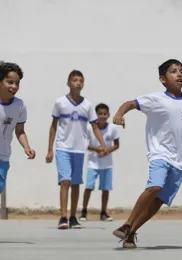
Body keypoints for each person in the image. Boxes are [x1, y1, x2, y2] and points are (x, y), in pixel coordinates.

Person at [112, 59, 182, 248]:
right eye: (173, 71)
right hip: (160, 154)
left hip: (181, 161)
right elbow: (130, 103)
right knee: (155, 186)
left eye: (181, 71)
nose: (179, 74)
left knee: (159, 200)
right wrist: (120, 114)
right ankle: (127, 224)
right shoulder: (156, 99)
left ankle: (131, 233)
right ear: (163, 79)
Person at [45, 70, 108, 230]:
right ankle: (63, 217)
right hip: (62, 147)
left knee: (75, 183)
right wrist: (50, 149)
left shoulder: (87, 105)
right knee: (64, 181)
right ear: (68, 83)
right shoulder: (60, 103)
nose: (78, 83)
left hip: (79, 149)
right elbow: (53, 127)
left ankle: (73, 216)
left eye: (80, 80)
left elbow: (95, 127)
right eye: (74, 80)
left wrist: (102, 144)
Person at [80, 103, 120, 222]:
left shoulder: (112, 128)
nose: (102, 116)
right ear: (96, 115)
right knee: (89, 187)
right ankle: (84, 211)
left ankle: (103, 212)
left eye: (105, 114)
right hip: (93, 163)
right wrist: (97, 149)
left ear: (108, 115)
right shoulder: (89, 128)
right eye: (100, 114)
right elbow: (84, 144)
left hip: (107, 164)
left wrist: (106, 151)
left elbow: (117, 144)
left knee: (105, 188)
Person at [0, 62, 36, 194]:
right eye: (9, 82)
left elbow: (20, 131)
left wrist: (27, 147)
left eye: (17, 83)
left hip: (3, 156)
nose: (14, 86)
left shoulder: (19, 106)